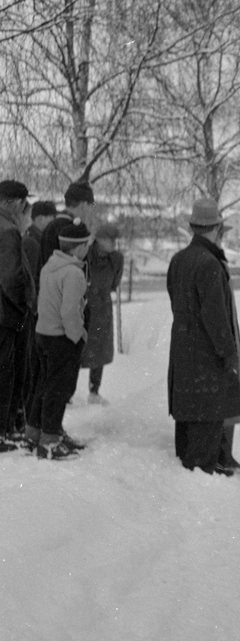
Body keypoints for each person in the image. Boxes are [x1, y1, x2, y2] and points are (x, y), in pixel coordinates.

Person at [166, 198, 240, 476]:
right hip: (207, 351)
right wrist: (228, 353)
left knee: (189, 408)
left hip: (183, 346)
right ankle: (207, 465)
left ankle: (209, 459)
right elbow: (216, 318)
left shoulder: (178, 260)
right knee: (210, 407)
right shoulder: (210, 263)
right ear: (217, 229)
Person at [30, 218, 91, 459]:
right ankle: (50, 441)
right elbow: (69, 312)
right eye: (85, 245)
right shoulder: (73, 273)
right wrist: (78, 336)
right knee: (59, 389)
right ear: (78, 248)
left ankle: (35, 432)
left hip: (42, 334)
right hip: (62, 339)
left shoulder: (49, 267)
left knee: (44, 385)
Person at [0, 180, 32, 450]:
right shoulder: (8, 231)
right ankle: (2, 432)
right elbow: (11, 277)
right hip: (3, 314)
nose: (22, 211)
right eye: (21, 205)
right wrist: (23, 305)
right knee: (4, 372)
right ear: (9, 203)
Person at [19, 201, 56, 433]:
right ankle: (27, 417)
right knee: (32, 367)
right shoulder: (32, 242)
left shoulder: (35, 239)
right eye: (50, 219)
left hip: (35, 314)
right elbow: (32, 280)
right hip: (34, 315)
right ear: (41, 218)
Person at [79, 222, 125, 405]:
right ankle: (67, 393)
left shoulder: (117, 259)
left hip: (102, 307)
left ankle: (94, 390)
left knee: (99, 349)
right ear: (98, 239)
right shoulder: (86, 254)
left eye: (115, 240)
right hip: (84, 305)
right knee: (76, 347)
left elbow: (115, 283)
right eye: (109, 239)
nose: (113, 243)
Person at [38, 181, 96, 277]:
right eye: (91, 206)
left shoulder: (51, 225)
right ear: (84, 205)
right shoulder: (75, 230)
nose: (90, 211)